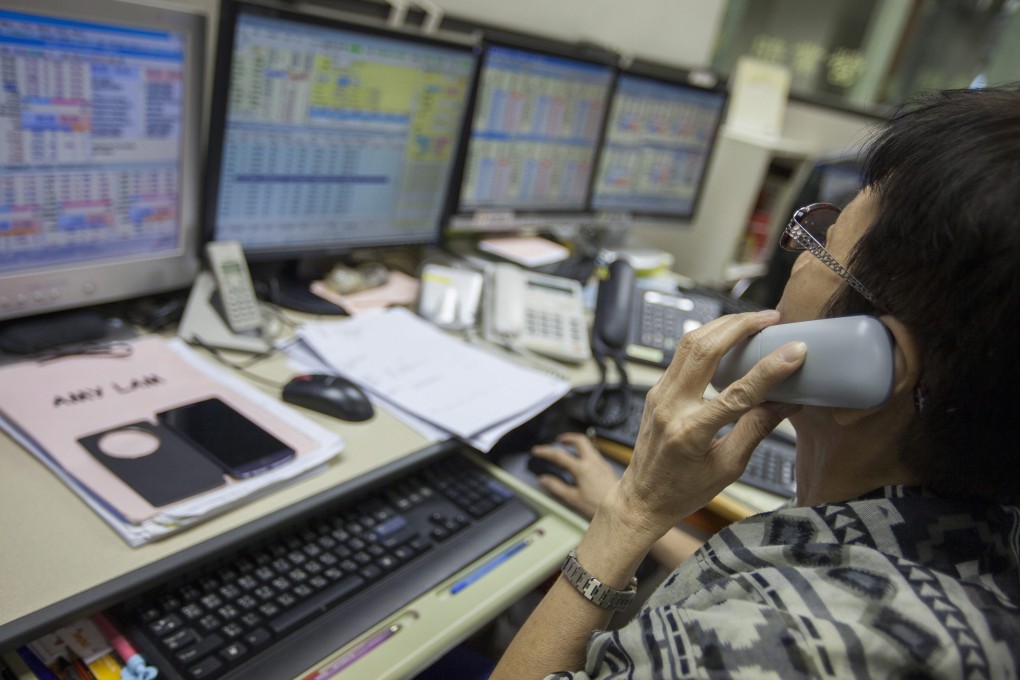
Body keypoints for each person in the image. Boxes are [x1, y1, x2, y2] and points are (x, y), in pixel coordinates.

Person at [492, 86, 1020, 679]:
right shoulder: (980, 544)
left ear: (870, 361)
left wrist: (630, 510)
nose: (796, 258)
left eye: (822, 242)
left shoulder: (777, 650)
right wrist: (655, 527)